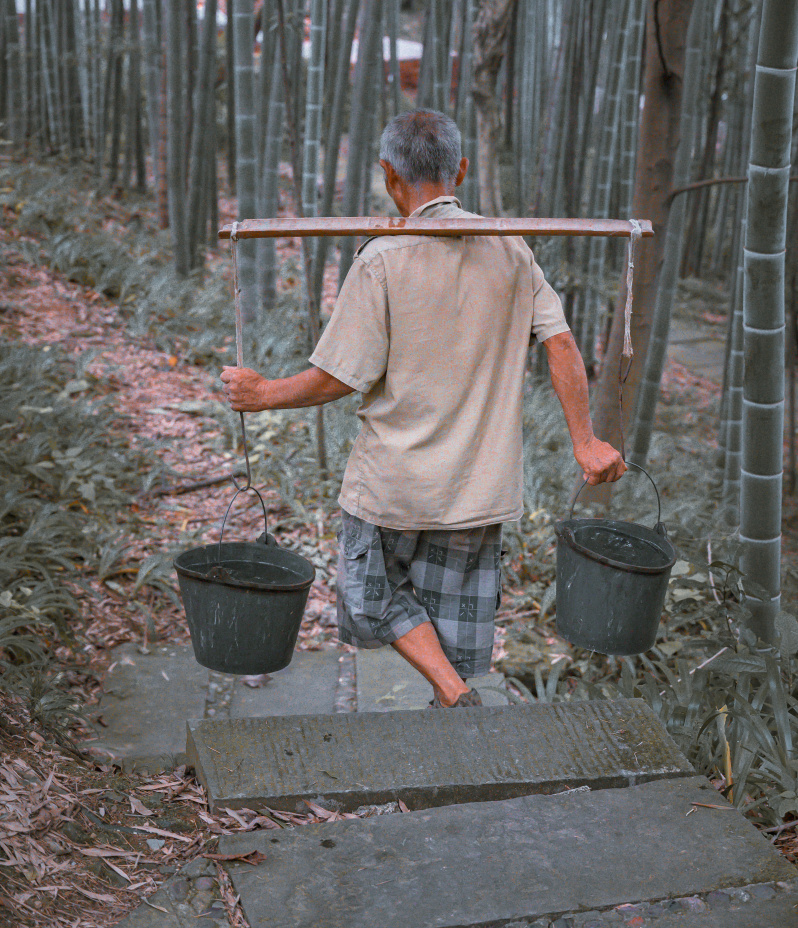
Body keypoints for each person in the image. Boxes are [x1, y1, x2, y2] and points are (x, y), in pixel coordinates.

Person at [221, 110, 626, 708]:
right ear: (460, 170)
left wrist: (262, 395)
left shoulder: (384, 258)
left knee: (370, 595)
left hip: (393, 484)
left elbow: (339, 377)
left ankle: (449, 691)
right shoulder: (512, 251)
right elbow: (561, 344)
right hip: (477, 485)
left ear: (388, 176)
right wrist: (585, 441)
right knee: (454, 623)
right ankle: (456, 701)